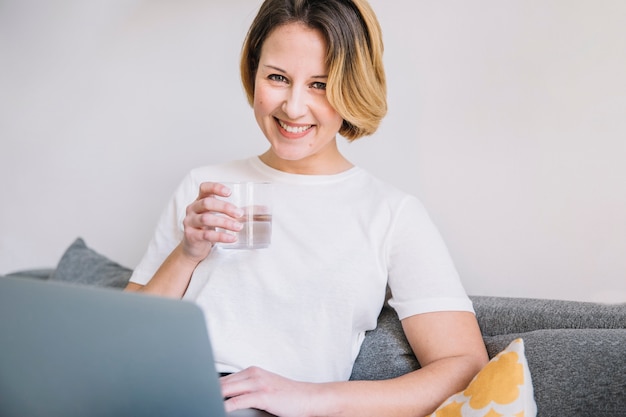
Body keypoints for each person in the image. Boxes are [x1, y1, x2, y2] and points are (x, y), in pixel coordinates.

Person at [125, 0, 489, 416]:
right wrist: (187, 253)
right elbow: (125, 339)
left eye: (320, 84)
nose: (293, 107)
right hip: (155, 395)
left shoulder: (391, 214)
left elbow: (465, 366)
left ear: (351, 88)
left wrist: (309, 397)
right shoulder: (204, 185)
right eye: (278, 77)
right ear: (254, 72)